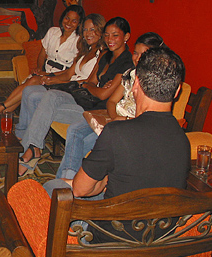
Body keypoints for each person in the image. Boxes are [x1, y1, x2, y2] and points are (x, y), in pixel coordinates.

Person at [44, 47, 189, 243]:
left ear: (136, 84)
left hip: (112, 241)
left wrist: (82, 181)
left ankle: (60, 242)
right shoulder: (183, 139)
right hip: (160, 239)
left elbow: (80, 190)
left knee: (51, 187)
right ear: (177, 90)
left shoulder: (117, 133)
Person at [17, 17, 134, 175]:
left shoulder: (127, 63)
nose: (109, 39)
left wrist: (90, 86)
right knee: (49, 97)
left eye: (115, 35)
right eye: (107, 35)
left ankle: (30, 151)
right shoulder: (106, 55)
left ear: (126, 37)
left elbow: (103, 94)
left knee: (44, 105)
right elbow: (91, 82)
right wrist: (90, 86)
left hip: (94, 111)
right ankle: (32, 147)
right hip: (83, 100)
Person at [56, 32, 166, 179]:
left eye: (143, 54)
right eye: (135, 53)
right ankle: (66, 179)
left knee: (88, 142)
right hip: (112, 118)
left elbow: (148, 117)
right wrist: (114, 118)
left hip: (130, 126)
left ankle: (67, 183)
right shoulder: (130, 73)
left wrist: (121, 122)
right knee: (75, 130)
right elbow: (112, 101)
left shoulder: (155, 83)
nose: (137, 58)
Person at [0, 5, 85, 113]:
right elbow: (42, 54)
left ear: (79, 24)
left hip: (61, 76)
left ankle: (0, 108)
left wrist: (45, 75)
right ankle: (2, 112)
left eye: (74, 21)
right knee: (27, 85)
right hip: (46, 71)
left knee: (32, 81)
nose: (69, 23)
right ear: (63, 17)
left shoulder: (79, 41)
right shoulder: (53, 32)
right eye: (67, 18)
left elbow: (71, 70)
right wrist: (39, 68)